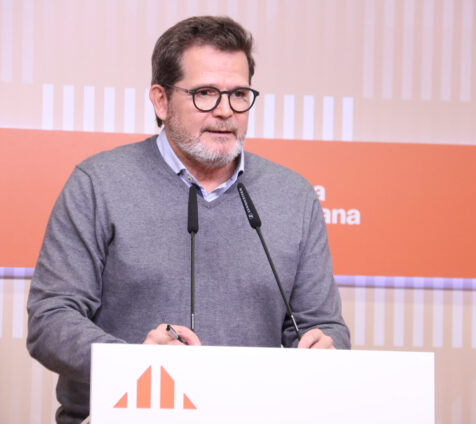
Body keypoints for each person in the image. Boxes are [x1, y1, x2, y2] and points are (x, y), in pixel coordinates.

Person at [27, 15, 350, 423]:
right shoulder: (98, 183)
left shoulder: (294, 195)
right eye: (205, 94)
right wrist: (135, 363)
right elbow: (51, 320)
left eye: (239, 95)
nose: (225, 111)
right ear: (161, 101)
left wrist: (326, 346)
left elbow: (324, 326)